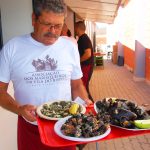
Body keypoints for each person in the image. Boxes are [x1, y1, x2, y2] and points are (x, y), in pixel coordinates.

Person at [0, 1, 92, 150]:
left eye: (58, 25)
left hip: (64, 126)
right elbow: (1, 91)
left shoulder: (70, 47)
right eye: (47, 24)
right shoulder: (13, 48)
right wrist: (19, 109)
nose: (53, 31)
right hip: (30, 128)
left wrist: (83, 101)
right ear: (33, 19)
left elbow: (76, 85)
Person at [75, 21, 94, 102]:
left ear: (78, 28)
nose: (74, 30)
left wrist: (78, 61)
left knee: (84, 87)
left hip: (86, 66)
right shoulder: (82, 38)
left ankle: (92, 106)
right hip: (85, 66)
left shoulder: (84, 38)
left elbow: (88, 54)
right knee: (83, 86)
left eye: (75, 27)